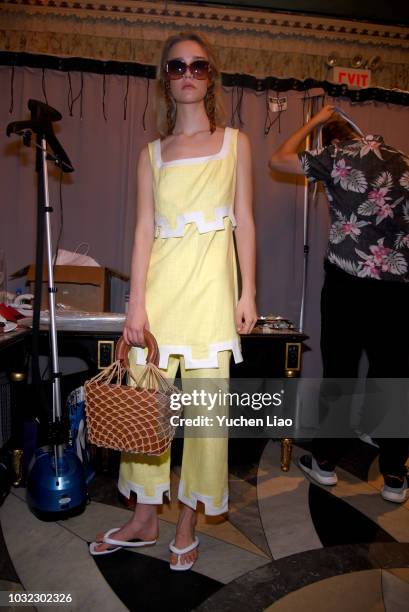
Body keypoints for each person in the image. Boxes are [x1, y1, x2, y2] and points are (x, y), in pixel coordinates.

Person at [90, 31, 257, 568]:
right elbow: (143, 232)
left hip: (211, 297)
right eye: (177, 66)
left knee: (205, 414)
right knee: (146, 406)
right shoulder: (151, 155)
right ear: (165, 78)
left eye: (198, 65)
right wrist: (134, 306)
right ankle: (143, 516)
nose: (188, 73)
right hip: (159, 298)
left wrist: (248, 290)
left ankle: (187, 519)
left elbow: (245, 223)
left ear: (211, 77)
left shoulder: (236, 143)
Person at [269, 104, 409, 503]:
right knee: (394, 375)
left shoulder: (336, 157)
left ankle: (327, 462)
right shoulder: (402, 161)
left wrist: (313, 121)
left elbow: (277, 159)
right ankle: (396, 475)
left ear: (330, 139)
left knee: (341, 371)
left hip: (348, 283)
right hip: (398, 287)